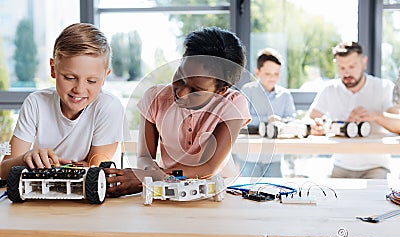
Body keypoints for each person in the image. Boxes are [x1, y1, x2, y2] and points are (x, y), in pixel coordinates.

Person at [105, 27, 251, 197]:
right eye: (180, 76)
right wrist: (149, 173)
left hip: (217, 193)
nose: (181, 92)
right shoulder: (155, 98)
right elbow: (145, 156)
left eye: (196, 89)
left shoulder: (232, 104)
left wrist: (151, 177)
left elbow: (209, 168)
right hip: (167, 191)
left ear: (220, 91)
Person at [0, 23, 127, 179]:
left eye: (92, 81)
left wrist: (43, 168)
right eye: (69, 78)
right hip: (40, 198)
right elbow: (3, 169)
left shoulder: (108, 107)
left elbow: (96, 171)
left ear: (105, 77)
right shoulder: (36, 103)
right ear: (53, 69)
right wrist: (26, 158)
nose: (79, 89)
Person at [308, 41, 400, 179]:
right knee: (324, 195)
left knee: (377, 199)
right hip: (340, 166)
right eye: (342, 67)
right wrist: (316, 126)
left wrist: (376, 116)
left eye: (352, 66)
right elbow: (310, 119)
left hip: (376, 167)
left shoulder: (383, 87)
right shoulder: (329, 90)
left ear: (364, 62)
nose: (347, 73)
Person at [237, 48, 296, 177]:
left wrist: (280, 122)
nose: (272, 78)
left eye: (276, 74)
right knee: (247, 192)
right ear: (257, 72)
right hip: (250, 156)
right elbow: (242, 119)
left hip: (274, 156)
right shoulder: (248, 90)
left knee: (275, 191)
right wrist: (267, 120)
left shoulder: (285, 95)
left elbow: (291, 119)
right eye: (268, 74)